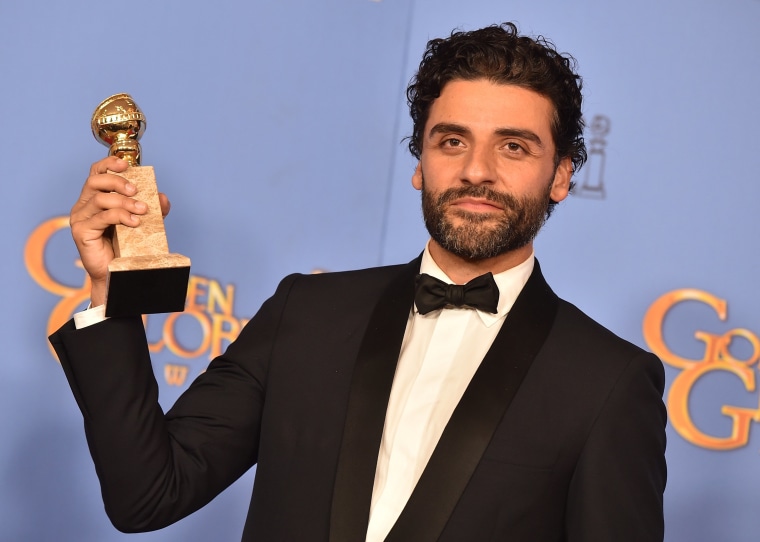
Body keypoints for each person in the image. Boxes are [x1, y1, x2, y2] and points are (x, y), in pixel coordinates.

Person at [50, 22, 667, 542]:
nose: (476, 170)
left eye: (513, 147)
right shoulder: (307, 313)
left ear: (560, 175)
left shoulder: (608, 383)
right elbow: (147, 495)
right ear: (420, 164)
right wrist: (112, 291)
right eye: (452, 141)